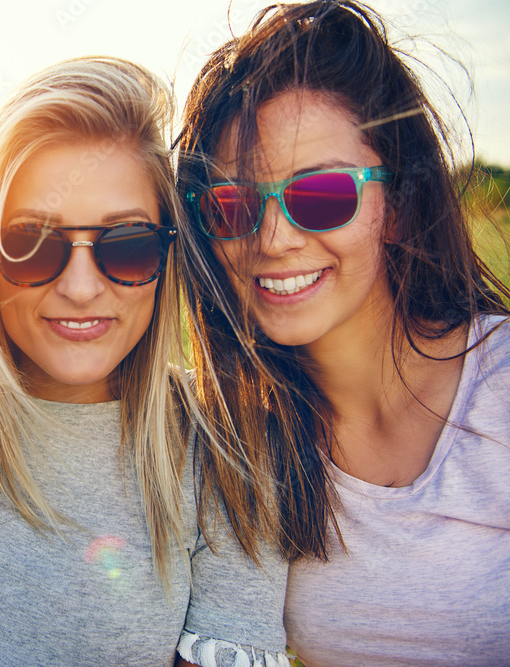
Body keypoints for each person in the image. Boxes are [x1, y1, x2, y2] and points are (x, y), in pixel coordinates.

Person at [0, 56, 289, 667]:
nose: (79, 287)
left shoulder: (225, 448)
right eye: (32, 242)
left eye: (126, 244)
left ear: (168, 254)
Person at [174, 1, 510, 664]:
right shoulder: (235, 437)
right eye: (232, 205)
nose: (272, 239)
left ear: (397, 204)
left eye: (321, 194)